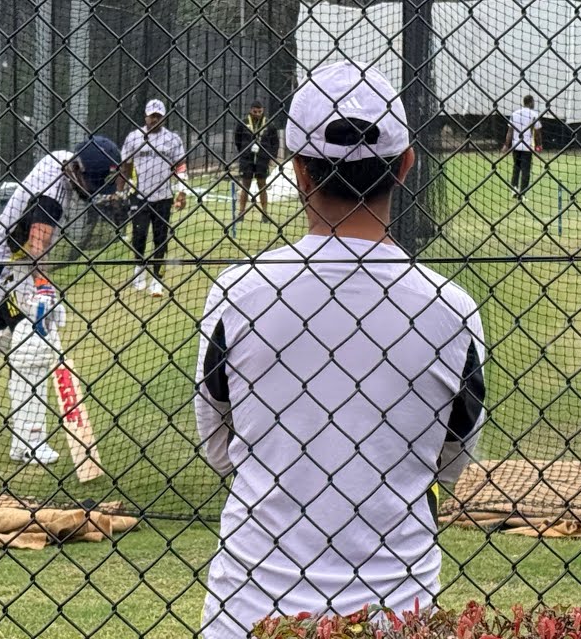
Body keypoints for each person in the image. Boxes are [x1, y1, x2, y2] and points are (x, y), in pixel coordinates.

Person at [195, 61, 487, 637]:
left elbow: (218, 446)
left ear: (298, 171)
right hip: (397, 612)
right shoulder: (451, 309)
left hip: (249, 610)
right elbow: (453, 463)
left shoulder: (237, 293)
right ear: (405, 166)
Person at [0, 137, 119, 464]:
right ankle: (27, 442)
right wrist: (42, 287)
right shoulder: (51, 200)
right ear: (78, 170)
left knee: (0, 326)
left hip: (3, 253)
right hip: (8, 262)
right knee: (36, 340)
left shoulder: (63, 157)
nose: (90, 189)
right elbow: (35, 248)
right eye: (90, 182)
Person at [118, 99, 189, 297]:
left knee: (161, 238)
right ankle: (139, 271)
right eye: (152, 116)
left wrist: (181, 192)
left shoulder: (173, 139)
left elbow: (181, 166)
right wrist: (121, 190)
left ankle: (157, 279)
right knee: (139, 235)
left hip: (164, 197)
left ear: (163, 118)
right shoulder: (134, 138)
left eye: (158, 116)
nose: (155, 119)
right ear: (145, 116)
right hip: (139, 196)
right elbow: (126, 165)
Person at [233, 100, 279, 223]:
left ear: (263, 110)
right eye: (255, 111)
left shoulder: (269, 124)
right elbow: (237, 140)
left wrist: (271, 157)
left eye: (260, 111)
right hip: (247, 159)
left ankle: (265, 214)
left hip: (262, 159)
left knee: (262, 185)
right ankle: (241, 213)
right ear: (250, 110)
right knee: (245, 186)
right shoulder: (243, 123)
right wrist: (244, 152)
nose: (257, 114)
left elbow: (275, 142)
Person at [503, 95, 543, 199]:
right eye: (533, 102)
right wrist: (539, 145)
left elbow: (510, 131)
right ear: (530, 102)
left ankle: (514, 189)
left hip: (516, 146)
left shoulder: (514, 114)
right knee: (526, 170)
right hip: (527, 147)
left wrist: (506, 145)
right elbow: (537, 133)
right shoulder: (534, 114)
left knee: (516, 167)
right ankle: (522, 193)